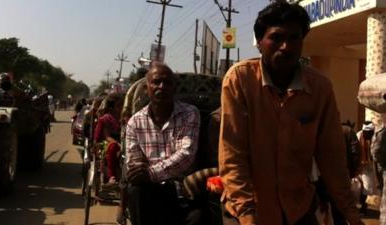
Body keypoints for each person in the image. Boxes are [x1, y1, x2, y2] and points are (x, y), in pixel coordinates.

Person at [218, 1, 364, 225]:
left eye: (294, 38)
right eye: (276, 37)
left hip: (298, 207)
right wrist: (247, 214)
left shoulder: (320, 88)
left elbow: (332, 158)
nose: (286, 46)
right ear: (259, 42)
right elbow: (232, 155)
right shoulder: (239, 80)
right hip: (247, 207)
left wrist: (351, 214)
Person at [125, 62, 202, 225]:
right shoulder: (135, 122)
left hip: (184, 190)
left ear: (174, 88)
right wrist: (141, 173)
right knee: (135, 191)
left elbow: (186, 155)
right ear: (147, 88)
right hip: (150, 190)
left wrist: (150, 173)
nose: (162, 86)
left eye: (167, 83)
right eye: (156, 82)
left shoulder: (190, 113)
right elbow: (135, 163)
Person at [93, 92, 124, 184]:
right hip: (107, 143)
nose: (122, 107)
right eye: (119, 105)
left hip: (124, 142)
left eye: (122, 105)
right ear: (112, 107)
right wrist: (119, 144)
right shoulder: (106, 118)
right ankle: (112, 176)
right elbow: (107, 137)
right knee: (113, 147)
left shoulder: (125, 118)